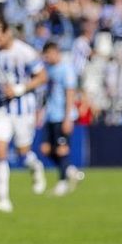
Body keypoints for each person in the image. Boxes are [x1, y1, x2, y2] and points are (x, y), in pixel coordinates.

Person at [0, 18, 47, 213]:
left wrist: (19, 89)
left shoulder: (25, 52)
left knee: (22, 153)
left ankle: (35, 166)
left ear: (8, 33)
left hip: (23, 109)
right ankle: (3, 199)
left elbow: (42, 77)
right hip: (0, 110)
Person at [40, 41, 83, 196]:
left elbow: (70, 93)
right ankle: (70, 171)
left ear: (56, 52)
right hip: (50, 115)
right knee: (45, 149)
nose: (47, 57)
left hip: (62, 116)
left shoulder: (66, 69)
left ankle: (62, 183)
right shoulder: (48, 70)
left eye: (49, 54)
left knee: (62, 149)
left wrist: (67, 118)